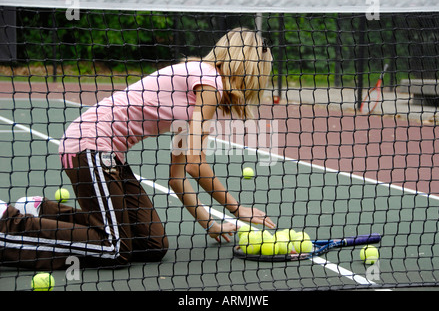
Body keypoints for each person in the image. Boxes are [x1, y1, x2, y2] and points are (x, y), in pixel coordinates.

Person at [0, 27, 276, 270]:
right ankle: (9, 222)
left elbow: (178, 177)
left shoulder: (201, 92)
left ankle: (41, 209)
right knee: (115, 249)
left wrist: (210, 224)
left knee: (152, 244)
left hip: (109, 155)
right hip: (89, 145)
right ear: (248, 69)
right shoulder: (209, 84)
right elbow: (196, 163)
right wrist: (237, 208)